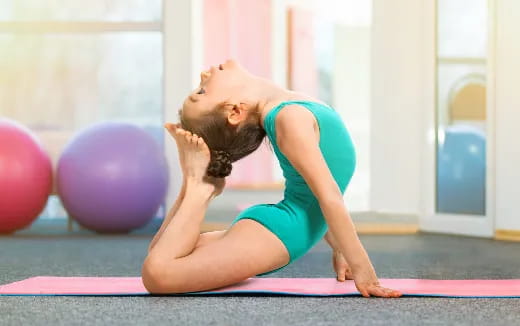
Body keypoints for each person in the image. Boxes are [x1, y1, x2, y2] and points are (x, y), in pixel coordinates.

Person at [141, 59, 402, 298]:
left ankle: (198, 182)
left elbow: (314, 192)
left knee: (161, 257)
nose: (203, 74)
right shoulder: (289, 118)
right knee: (158, 273)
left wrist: (339, 247)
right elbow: (327, 196)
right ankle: (197, 185)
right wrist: (362, 268)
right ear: (235, 111)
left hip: (277, 227)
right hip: (282, 232)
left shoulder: (289, 109)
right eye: (201, 92)